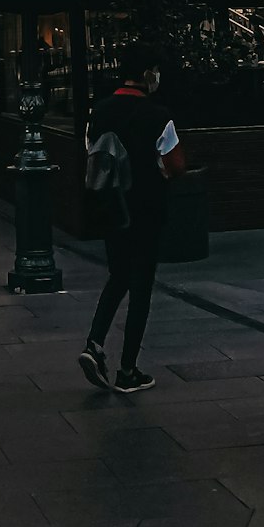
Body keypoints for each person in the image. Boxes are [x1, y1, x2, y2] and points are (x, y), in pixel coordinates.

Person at [78, 43, 181, 395]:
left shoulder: (100, 112)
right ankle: (128, 369)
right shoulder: (158, 115)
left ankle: (93, 343)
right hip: (148, 210)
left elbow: (91, 150)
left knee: (118, 276)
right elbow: (174, 164)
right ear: (149, 73)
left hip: (112, 209)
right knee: (141, 289)